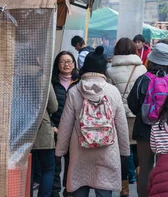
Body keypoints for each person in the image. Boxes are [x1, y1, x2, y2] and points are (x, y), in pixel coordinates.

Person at [55, 46, 130, 197]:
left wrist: (60, 150)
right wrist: (124, 150)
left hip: (80, 149)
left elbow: (66, 124)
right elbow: (121, 124)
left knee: (80, 187)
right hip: (107, 148)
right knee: (103, 189)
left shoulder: (74, 91)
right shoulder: (112, 91)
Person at [128, 43, 168, 197]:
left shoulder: (142, 80)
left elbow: (133, 103)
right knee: (165, 167)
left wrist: (144, 114)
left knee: (145, 167)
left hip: (144, 130)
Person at [105, 38, 147, 194]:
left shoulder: (110, 70)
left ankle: (124, 188)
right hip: (139, 116)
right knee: (139, 151)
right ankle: (140, 182)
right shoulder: (142, 69)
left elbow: (109, 96)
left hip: (119, 116)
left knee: (123, 152)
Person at [51, 51, 80, 197]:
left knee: (72, 164)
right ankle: (54, 192)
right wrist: (51, 126)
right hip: (55, 129)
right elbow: (43, 107)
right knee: (54, 164)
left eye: (69, 61)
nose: (66, 64)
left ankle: (69, 191)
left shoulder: (79, 82)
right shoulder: (52, 82)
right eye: (62, 61)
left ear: (74, 64)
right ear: (57, 64)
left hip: (74, 131)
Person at [32, 85, 58, 197]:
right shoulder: (43, 76)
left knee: (27, 171)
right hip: (42, 131)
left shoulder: (16, 74)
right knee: (48, 170)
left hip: (20, 131)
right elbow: (53, 107)